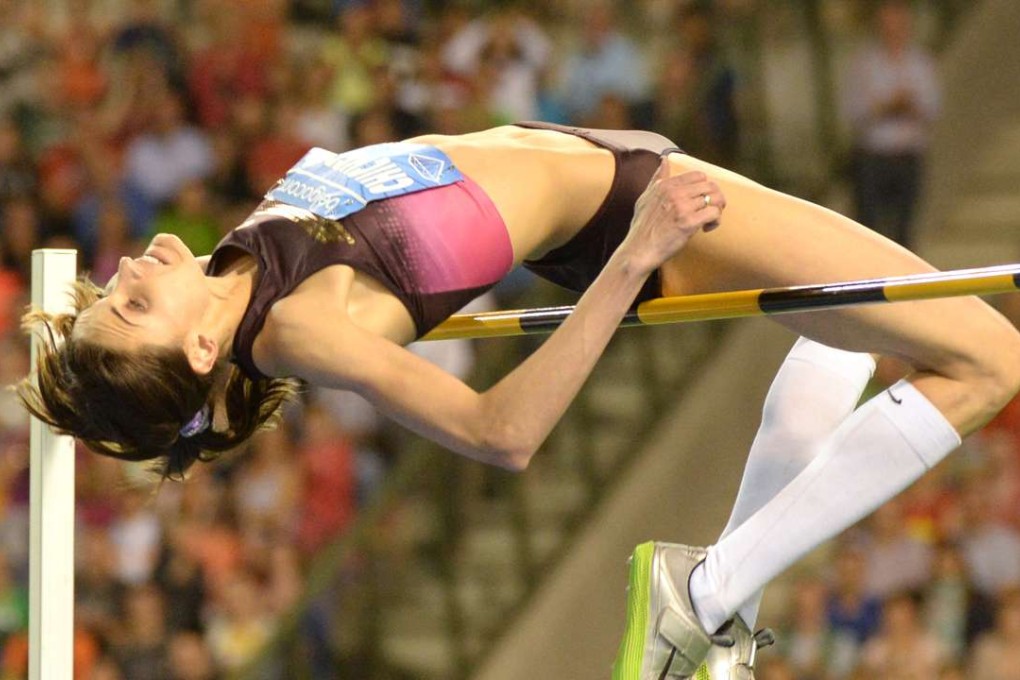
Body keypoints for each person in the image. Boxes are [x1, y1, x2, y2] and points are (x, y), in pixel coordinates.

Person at [16, 122, 1020, 678]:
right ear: (200, 347)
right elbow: (502, 433)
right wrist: (636, 255)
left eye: (110, 290)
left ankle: (722, 618)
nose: (127, 270)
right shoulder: (298, 325)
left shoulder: (241, 267)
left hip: (619, 170)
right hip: (629, 210)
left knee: (854, 334)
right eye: (132, 306)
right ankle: (710, 595)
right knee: (990, 362)